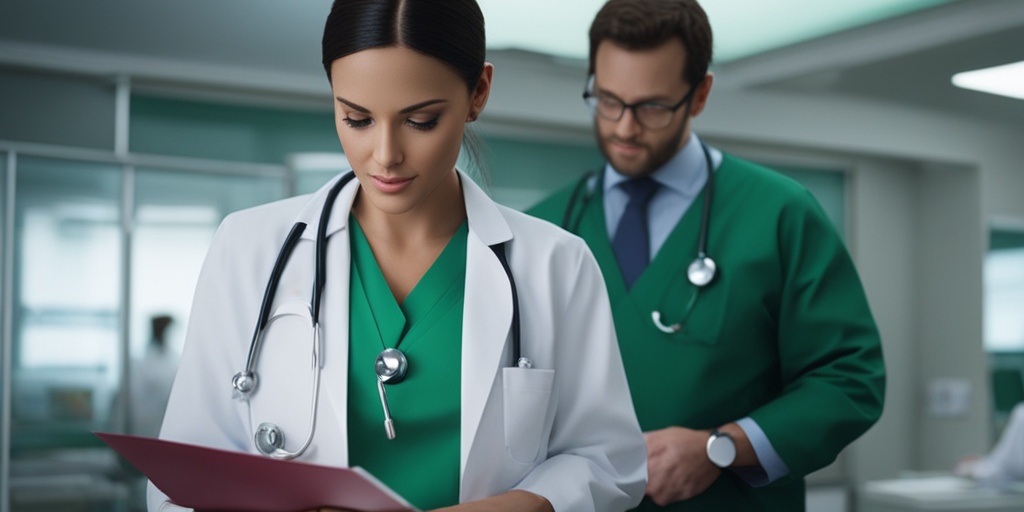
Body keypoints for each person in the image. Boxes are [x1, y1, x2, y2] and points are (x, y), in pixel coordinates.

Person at [148, 0, 647, 511]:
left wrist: (526, 505)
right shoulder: (249, 248)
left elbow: (610, 462)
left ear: (478, 93)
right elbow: (181, 481)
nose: (385, 155)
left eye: (421, 120)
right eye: (357, 118)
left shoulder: (556, 264)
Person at [527, 0, 886, 509]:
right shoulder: (544, 225)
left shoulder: (780, 213)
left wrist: (724, 446)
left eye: (652, 106)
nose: (625, 128)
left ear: (699, 96)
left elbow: (848, 379)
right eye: (607, 100)